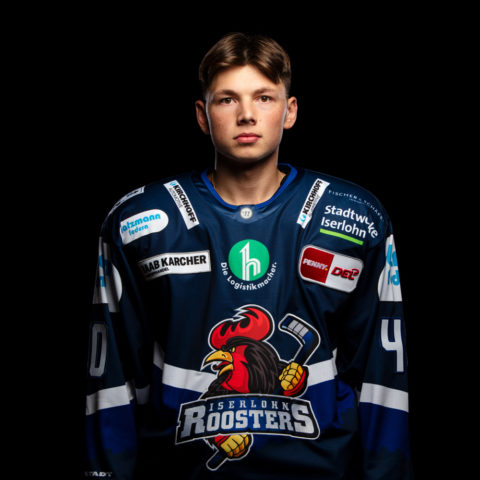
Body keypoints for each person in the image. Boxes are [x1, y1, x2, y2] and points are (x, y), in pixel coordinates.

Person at [85, 32, 413, 479]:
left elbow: (381, 375)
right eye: (227, 99)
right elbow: (113, 377)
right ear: (202, 115)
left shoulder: (357, 216)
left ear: (289, 111)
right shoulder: (137, 220)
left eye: (263, 97)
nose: (246, 114)